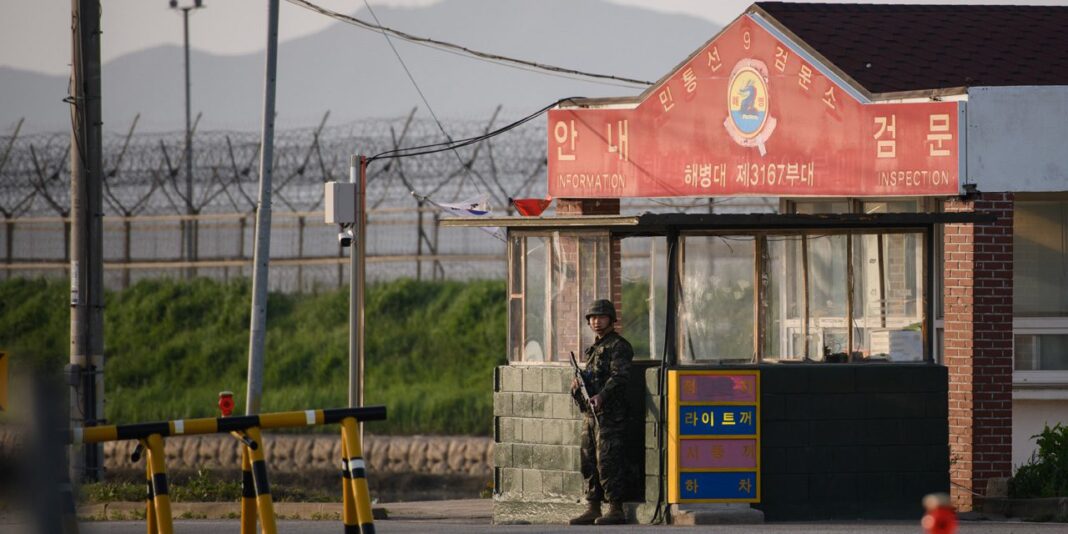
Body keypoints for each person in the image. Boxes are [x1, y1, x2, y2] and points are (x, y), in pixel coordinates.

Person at [569, 299, 634, 526]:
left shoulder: (619, 346)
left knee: (608, 460)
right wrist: (578, 388)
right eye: (592, 318)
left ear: (611, 319)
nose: (596, 321)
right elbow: (592, 381)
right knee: (588, 460)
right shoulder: (594, 349)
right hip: (591, 415)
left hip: (611, 417)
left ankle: (615, 508)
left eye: (601, 317)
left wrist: (602, 396)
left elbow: (620, 377)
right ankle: (593, 506)